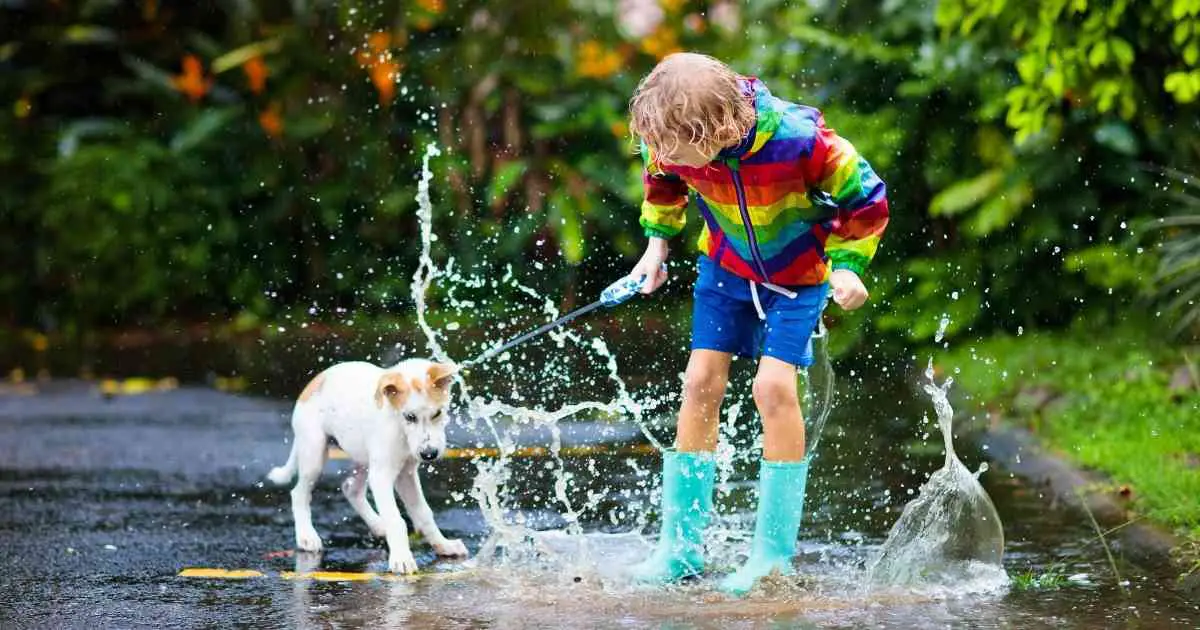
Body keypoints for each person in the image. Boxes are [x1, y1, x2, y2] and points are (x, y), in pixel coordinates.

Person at [625, 52, 889, 595]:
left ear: (716, 128)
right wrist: (655, 248)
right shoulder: (675, 143)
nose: (666, 157)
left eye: (677, 150)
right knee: (699, 383)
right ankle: (680, 548)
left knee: (772, 388)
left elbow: (866, 199)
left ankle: (770, 557)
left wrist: (849, 266)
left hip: (799, 277)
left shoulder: (803, 142)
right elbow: (661, 179)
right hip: (725, 267)